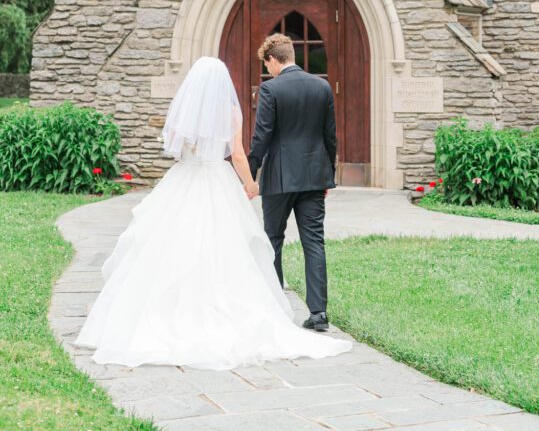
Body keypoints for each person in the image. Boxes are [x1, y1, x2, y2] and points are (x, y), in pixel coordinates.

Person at [75, 56, 351, 368]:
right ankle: (304, 310)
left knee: (172, 244)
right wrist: (249, 183)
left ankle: (166, 310)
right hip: (222, 180)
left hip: (184, 179)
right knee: (230, 245)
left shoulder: (186, 111)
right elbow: (235, 153)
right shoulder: (231, 112)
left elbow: (177, 149)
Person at [248, 33, 336, 333]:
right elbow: (330, 137)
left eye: (266, 64)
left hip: (280, 178)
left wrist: (249, 173)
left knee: (273, 239)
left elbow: (262, 136)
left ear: (274, 60)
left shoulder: (271, 89)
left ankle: (274, 306)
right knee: (314, 242)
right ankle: (319, 312)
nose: (267, 70)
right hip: (314, 176)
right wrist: (328, 175)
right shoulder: (322, 86)